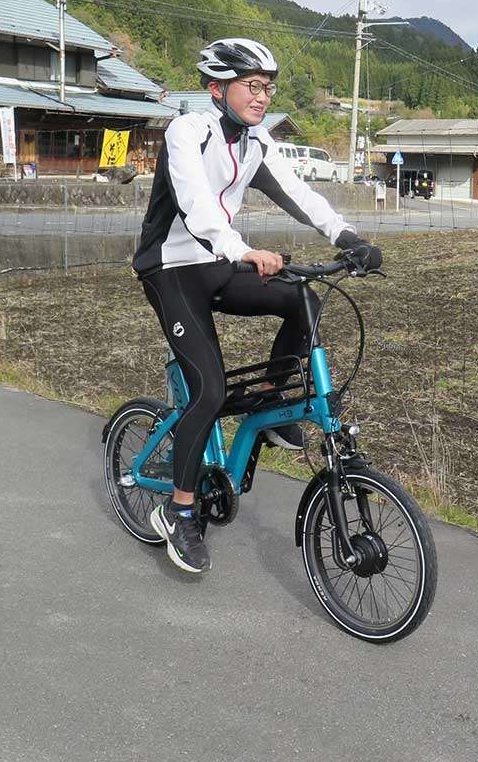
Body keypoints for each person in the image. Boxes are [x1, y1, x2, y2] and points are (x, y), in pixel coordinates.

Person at [131, 38, 381, 574]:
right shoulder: (187, 132)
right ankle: (179, 512)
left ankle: (270, 402)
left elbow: (302, 195)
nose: (263, 96)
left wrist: (348, 238)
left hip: (218, 262)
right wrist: (242, 250)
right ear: (217, 88)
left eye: (268, 87)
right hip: (171, 269)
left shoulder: (255, 143)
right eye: (252, 85)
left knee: (303, 298)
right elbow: (197, 204)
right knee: (211, 390)